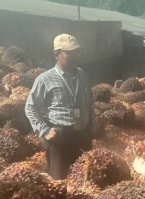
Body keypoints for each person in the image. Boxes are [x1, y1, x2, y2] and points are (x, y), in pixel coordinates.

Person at [25, 34, 97, 180]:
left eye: (77, 52)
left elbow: (89, 101)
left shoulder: (82, 74)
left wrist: (92, 123)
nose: (76, 56)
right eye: (70, 52)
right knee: (58, 184)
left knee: (87, 182)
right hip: (60, 138)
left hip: (83, 136)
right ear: (57, 54)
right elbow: (30, 107)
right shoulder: (45, 79)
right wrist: (44, 130)